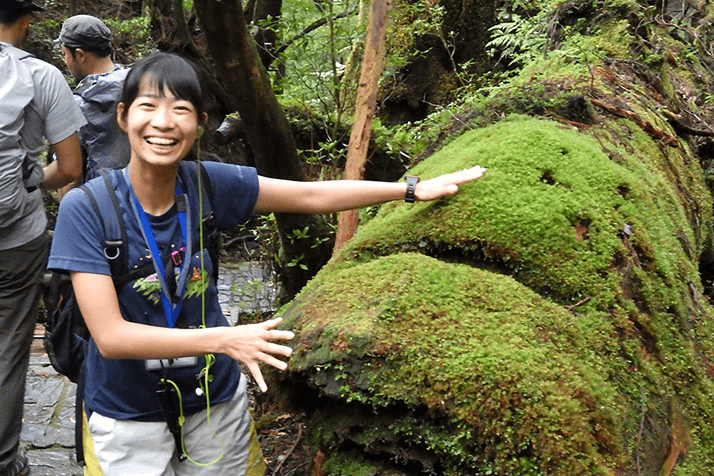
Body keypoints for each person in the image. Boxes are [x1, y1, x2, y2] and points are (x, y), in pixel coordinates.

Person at [47, 51, 486, 476]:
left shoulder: (205, 184)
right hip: (128, 414)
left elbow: (309, 196)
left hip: (213, 403)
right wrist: (226, 339)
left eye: (180, 109)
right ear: (123, 116)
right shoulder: (88, 208)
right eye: (149, 106)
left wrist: (409, 189)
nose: (163, 122)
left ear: (199, 125)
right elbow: (111, 337)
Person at [0, 1, 85, 475]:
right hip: (15, 237)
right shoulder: (43, 76)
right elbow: (70, 168)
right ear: (26, 19)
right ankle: (4, 460)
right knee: (9, 347)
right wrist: (32, 178)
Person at [55, 14, 130, 196]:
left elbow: (69, 175)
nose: (66, 62)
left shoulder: (77, 105)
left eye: (65, 54)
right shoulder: (140, 83)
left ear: (80, 55)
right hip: (152, 198)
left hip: (103, 203)